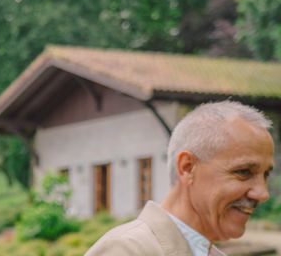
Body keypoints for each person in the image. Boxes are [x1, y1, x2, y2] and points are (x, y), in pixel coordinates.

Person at [85, 100, 274, 256]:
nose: (262, 193)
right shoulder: (127, 250)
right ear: (187, 167)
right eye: (243, 172)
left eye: (265, 175)